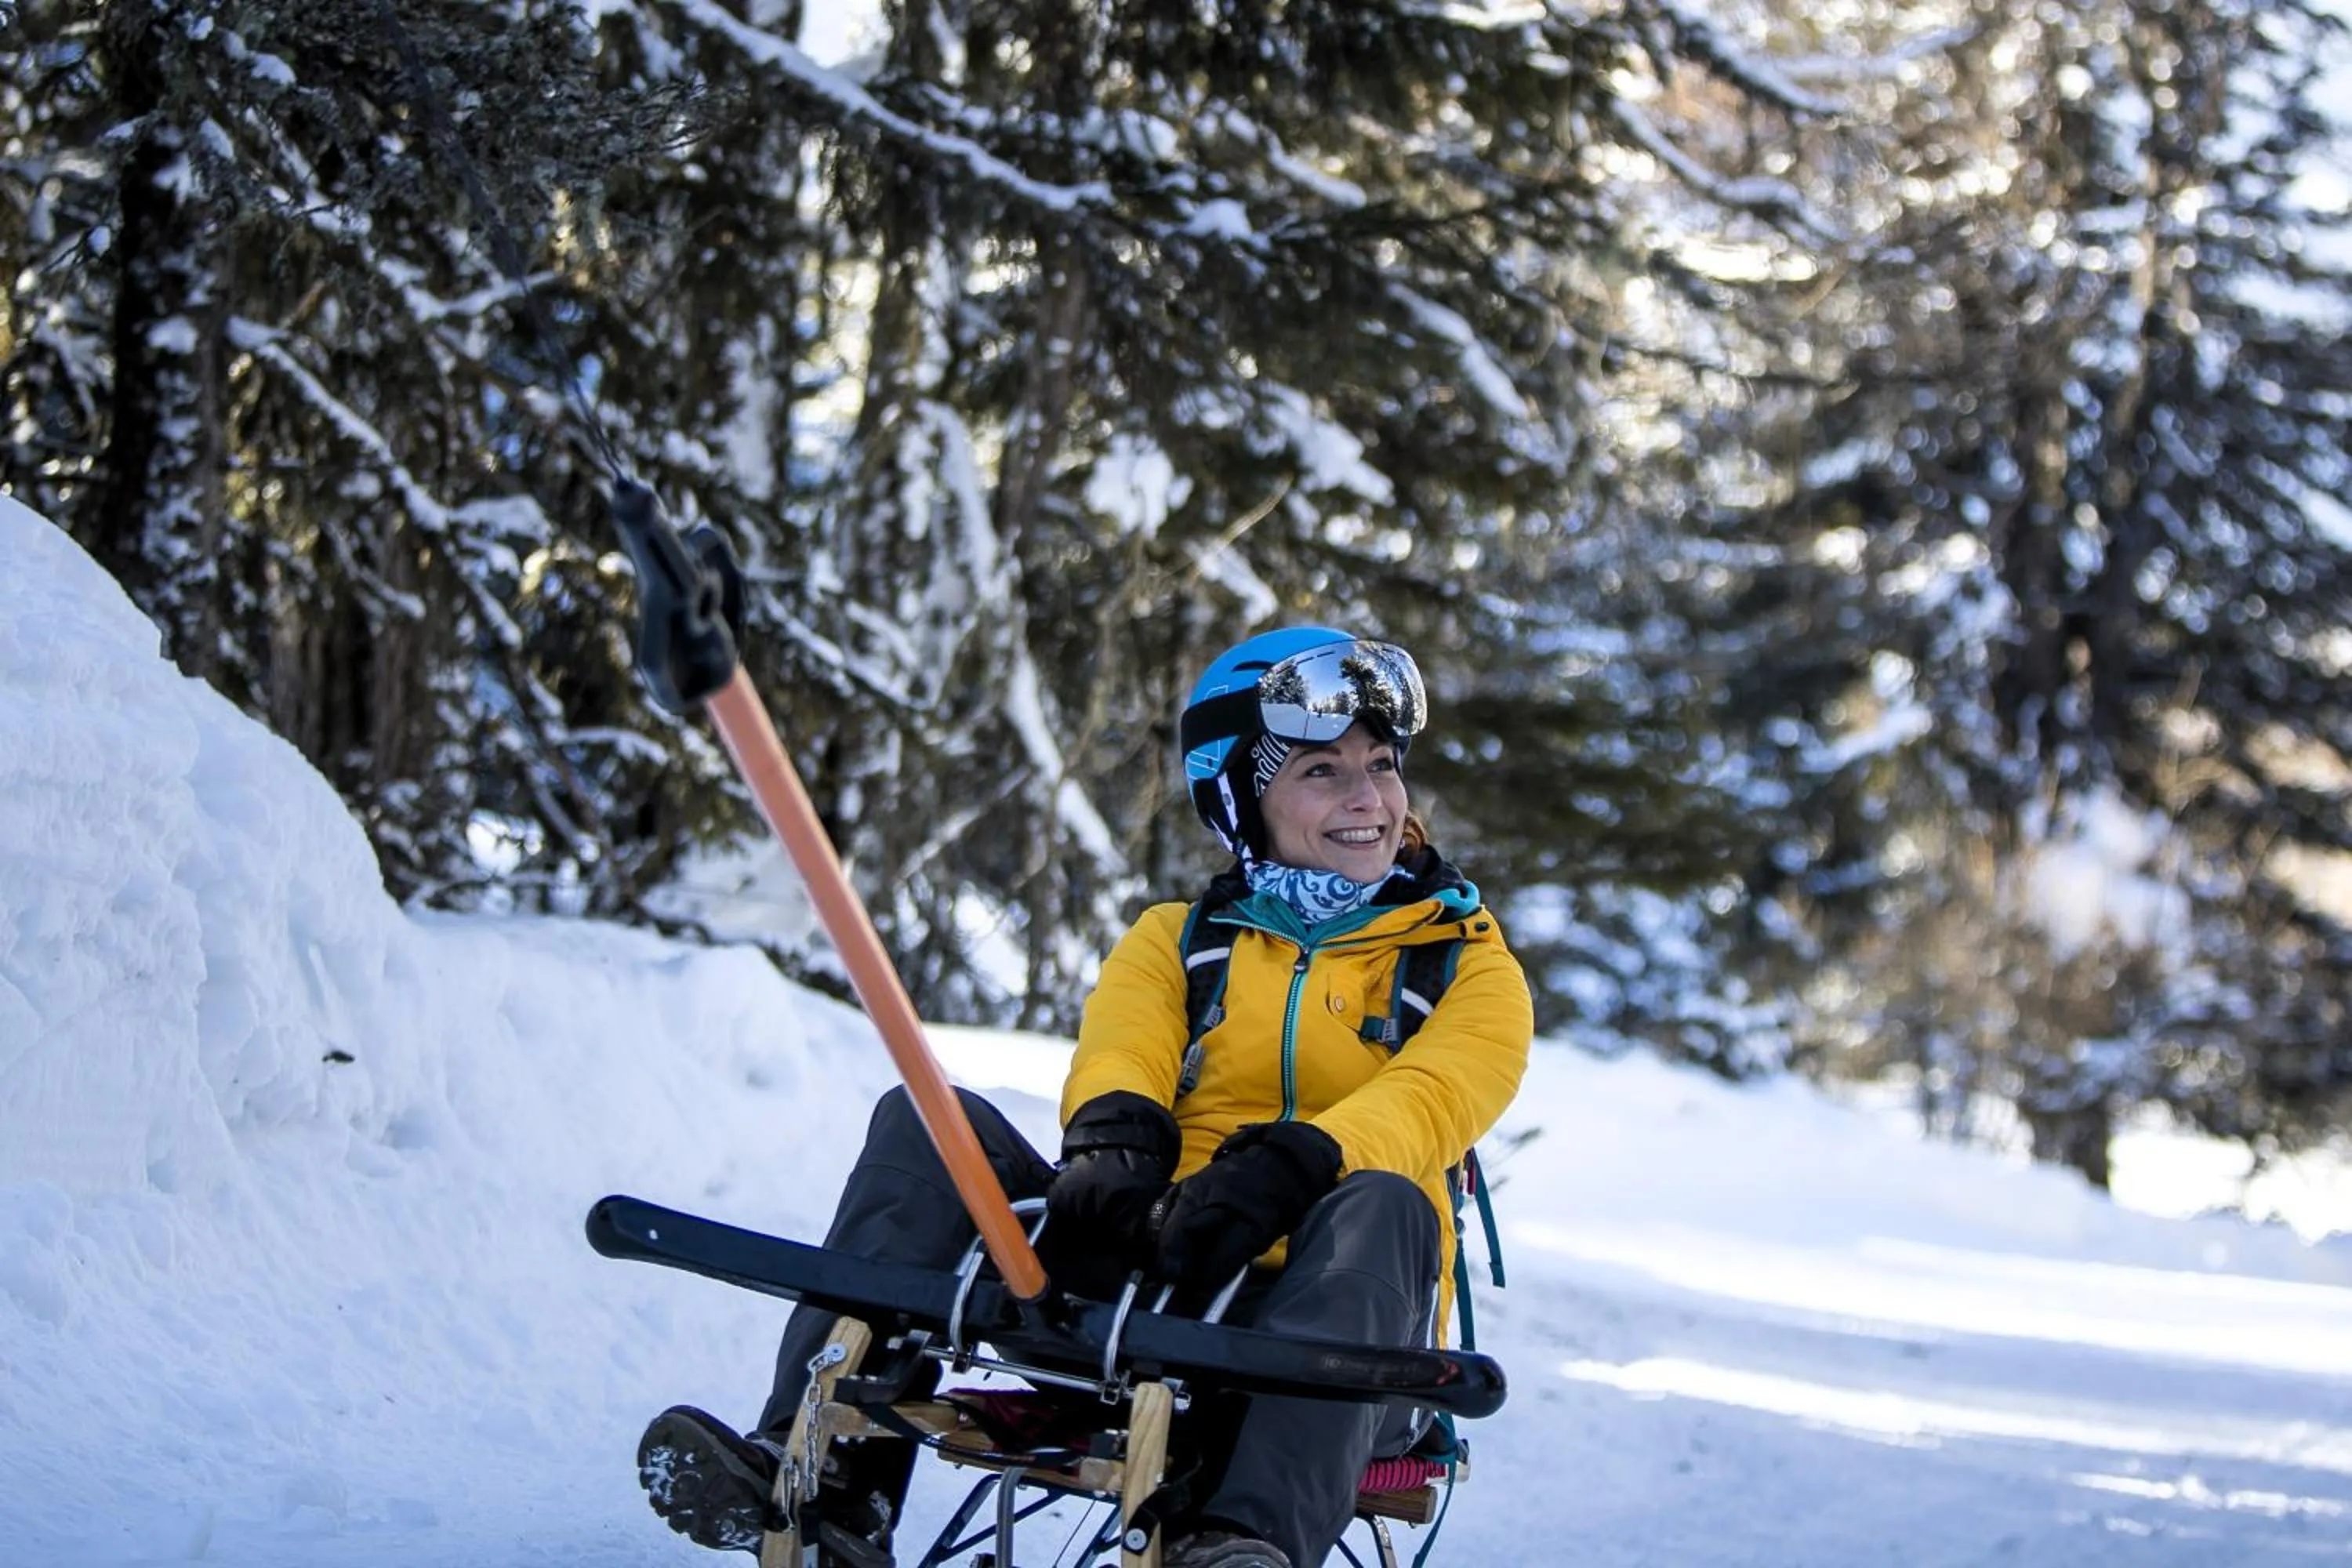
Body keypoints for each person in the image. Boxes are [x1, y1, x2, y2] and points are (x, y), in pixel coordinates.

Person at [637, 626, 1534, 1568]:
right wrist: (1114, 1155)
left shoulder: (1468, 964)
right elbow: (1124, 1049)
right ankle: (820, 1487)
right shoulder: (1178, 940)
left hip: (1338, 1335)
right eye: (1322, 770)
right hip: (1151, 1272)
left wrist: (1289, 1168)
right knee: (928, 1120)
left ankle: (1241, 1547)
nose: (1368, 798)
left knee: (1388, 1201)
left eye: (1381, 764)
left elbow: (1433, 1100)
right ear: (1242, 794)